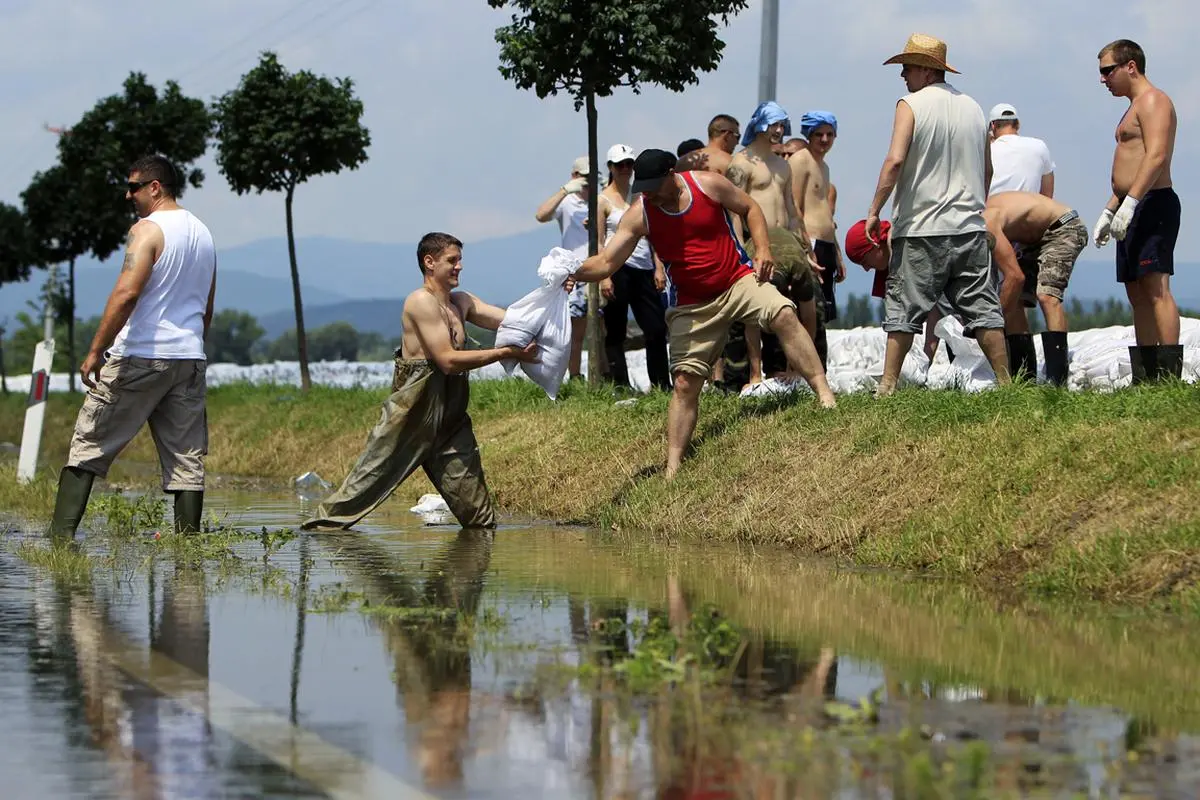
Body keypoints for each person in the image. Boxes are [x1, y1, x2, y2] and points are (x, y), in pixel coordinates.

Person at [573, 149, 835, 480]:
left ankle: (825, 395)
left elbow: (750, 207)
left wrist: (764, 248)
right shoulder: (641, 214)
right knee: (684, 383)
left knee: (783, 312)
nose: (649, 193)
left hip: (737, 280)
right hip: (691, 304)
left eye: (654, 185)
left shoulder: (708, 185)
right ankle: (673, 466)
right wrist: (572, 271)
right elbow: (607, 262)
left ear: (672, 174)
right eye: (644, 188)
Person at [302, 233, 539, 530]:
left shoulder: (462, 302)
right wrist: (505, 352)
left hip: (450, 419)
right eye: (452, 260)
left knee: (479, 519)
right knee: (352, 499)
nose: (460, 267)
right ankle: (311, 537)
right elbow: (448, 361)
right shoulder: (419, 302)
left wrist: (556, 292)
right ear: (429, 262)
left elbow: (515, 321)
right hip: (409, 417)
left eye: (460, 260)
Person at [48, 155, 217, 539]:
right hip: (189, 358)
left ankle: (59, 540)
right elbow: (206, 309)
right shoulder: (203, 234)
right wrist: (189, 345)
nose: (129, 195)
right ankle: (188, 547)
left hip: (140, 354)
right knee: (186, 458)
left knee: (88, 442)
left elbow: (126, 293)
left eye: (134, 187)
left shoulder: (147, 229)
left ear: (155, 187)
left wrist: (95, 350)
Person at [865, 33, 1010, 396]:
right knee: (983, 307)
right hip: (969, 228)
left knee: (904, 310)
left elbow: (895, 160)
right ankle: (1007, 383)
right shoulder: (975, 108)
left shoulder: (910, 104)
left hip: (920, 227)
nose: (903, 75)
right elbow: (987, 169)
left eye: (908, 67)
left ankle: (888, 386)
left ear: (927, 71)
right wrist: (977, 205)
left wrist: (874, 210)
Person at [1092, 39, 1182, 382]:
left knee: (1156, 286)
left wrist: (1131, 202)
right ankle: (1146, 378)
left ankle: (1170, 376)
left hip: (1153, 203)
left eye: (1107, 70)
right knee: (1136, 292)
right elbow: (1129, 166)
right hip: (1130, 207)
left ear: (1130, 66)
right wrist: (1110, 209)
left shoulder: (1154, 100)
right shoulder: (1131, 107)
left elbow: (1156, 156)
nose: (1103, 79)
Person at [725, 101, 823, 384]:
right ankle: (755, 373)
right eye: (774, 124)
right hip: (758, 242)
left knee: (805, 303)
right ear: (760, 125)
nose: (779, 130)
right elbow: (733, 210)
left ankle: (796, 369)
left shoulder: (782, 164)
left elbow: (792, 210)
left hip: (788, 242)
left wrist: (806, 247)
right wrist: (740, 248)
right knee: (756, 309)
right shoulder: (742, 163)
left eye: (782, 125)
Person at [984, 192, 1089, 385]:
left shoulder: (986, 222)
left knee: (1047, 296)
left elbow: (1015, 277)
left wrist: (992, 325)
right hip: (1032, 239)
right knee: (1014, 301)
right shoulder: (981, 222)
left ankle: (1057, 382)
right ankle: (1025, 379)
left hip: (1064, 227)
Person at [597, 144, 671, 391]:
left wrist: (658, 266)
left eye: (630, 164)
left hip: (643, 266)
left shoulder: (640, 197)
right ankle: (621, 384)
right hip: (617, 266)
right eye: (620, 165)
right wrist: (604, 276)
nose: (626, 169)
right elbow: (598, 242)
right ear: (610, 168)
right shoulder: (603, 200)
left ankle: (661, 383)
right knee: (616, 329)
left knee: (656, 327)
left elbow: (653, 235)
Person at [535, 156, 591, 380]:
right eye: (582, 176)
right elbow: (541, 215)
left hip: (600, 269)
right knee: (575, 332)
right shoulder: (567, 203)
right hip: (575, 274)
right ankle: (575, 375)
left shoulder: (601, 199)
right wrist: (565, 190)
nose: (586, 181)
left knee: (603, 330)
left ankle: (606, 374)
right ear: (574, 176)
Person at [790, 110, 846, 328]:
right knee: (808, 311)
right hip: (810, 242)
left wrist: (838, 254)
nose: (824, 140)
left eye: (829, 135)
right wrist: (805, 247)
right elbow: (794, 206)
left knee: (823, 312)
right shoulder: (801, 160)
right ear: (809, 135)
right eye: (819, 135)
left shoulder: (823, 166)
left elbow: (826, 214)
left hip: (826, 244)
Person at [987, 104, 1056, 197]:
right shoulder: (1039, 146)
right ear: (1018, 124)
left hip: (994, 209)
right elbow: (1047, 195)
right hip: (1028, 209)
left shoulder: (987, 151)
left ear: (993, 125)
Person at [675, 114, 739, 174]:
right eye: (737, 137)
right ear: (727, 135)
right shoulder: (731, 163)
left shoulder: (681, 162)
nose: (737, 143)